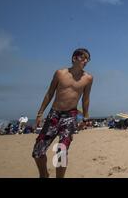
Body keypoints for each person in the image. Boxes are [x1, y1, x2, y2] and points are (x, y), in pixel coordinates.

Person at [32, 48, 93, 178]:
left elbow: (86, 99)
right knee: (38, 151)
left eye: (88, 59)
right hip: (54, 114)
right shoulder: (60, 73)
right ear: (74, 58)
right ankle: (44, 174)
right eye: (83, 57)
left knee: (62, 150)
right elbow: (49, 93)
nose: (86, 61)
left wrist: (85, 118)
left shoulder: (88, 78)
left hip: (70, 116)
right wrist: (40, 113)